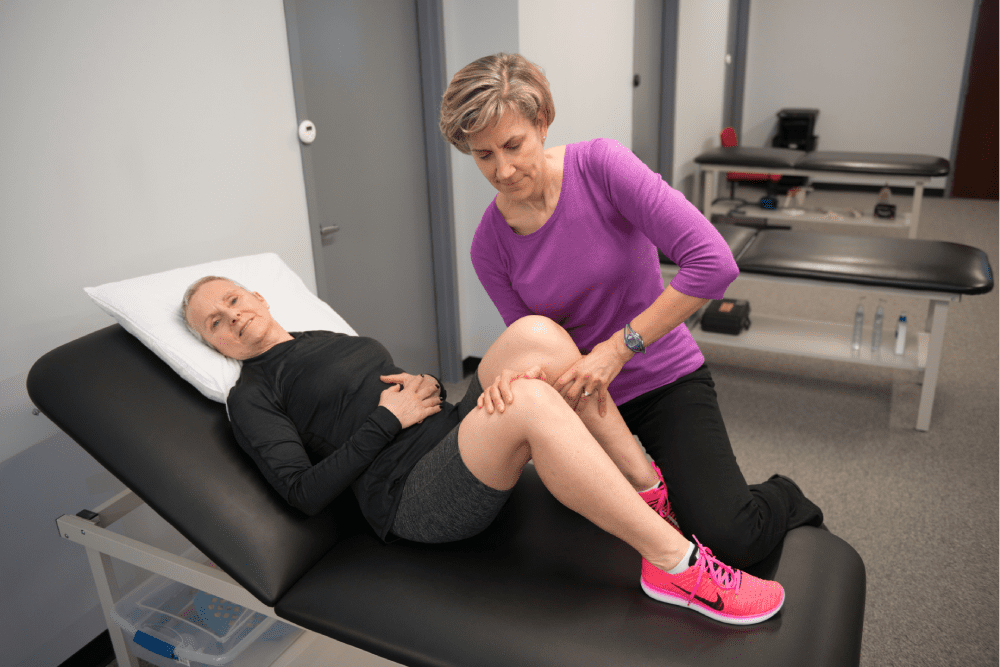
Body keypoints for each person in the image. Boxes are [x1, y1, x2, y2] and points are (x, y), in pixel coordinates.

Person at [181, 275, 785, 625]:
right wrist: (386, 423)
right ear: (215, 345)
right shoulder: (252, 395)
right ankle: (675, 566)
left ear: (257, 297)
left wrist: (429, 387)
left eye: (232, 300)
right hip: (412, 497)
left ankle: (647, 491)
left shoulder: (318, 338)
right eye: (213, 322)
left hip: (445, 441)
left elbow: (382, 394)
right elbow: (301, 493)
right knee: (528, 400)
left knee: (538, 335)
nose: (231, 317)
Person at [439, 53, 823, 570]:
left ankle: (784, 493)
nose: (503, 170)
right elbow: (537, 338)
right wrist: (519, 376)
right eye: (484, 156)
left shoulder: (601, 166)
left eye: (513, 146)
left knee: (731, 538)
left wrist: (617, 349)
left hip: (662, 378)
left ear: (542, 122)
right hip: (585, 404)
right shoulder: (490, 245)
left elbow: (713, 263)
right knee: (604, 543)